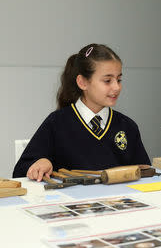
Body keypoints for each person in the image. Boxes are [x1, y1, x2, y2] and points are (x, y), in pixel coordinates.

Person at [13, 44, 151, 180]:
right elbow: (20, 171)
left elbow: (145, 172)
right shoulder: (56, 123)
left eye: (119, 80)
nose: (116, 87)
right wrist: (42, 162)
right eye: (107, 80)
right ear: (82, 82)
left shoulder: (128, 126)